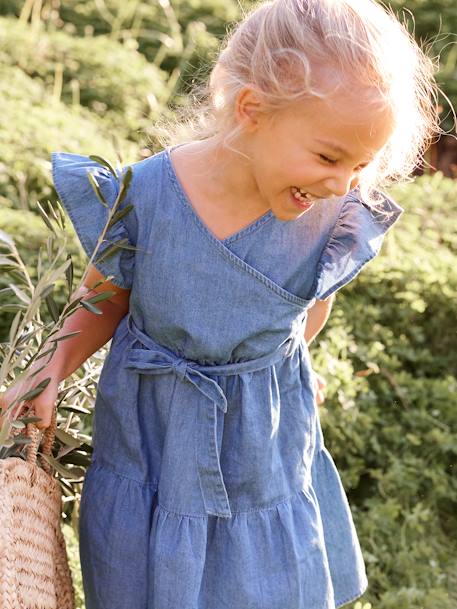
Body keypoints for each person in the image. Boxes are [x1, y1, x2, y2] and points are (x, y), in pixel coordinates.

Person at [0, 0, 440, 607]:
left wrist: (290, 359)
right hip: (150, 432)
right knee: (141, 576)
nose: (342, 183)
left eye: (362, 165)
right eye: (329, 157)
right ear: (251, 110)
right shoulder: (148, 196)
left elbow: (309, 302)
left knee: (261, 580)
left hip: (261, 444)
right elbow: (103, 294)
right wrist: (44, 374)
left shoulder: (331, 213)